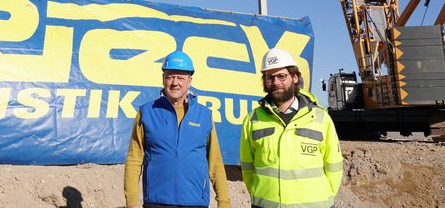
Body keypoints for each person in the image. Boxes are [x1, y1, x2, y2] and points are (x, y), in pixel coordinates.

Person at [124, 50, 230, 208]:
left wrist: (224, 202)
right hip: (156, 202)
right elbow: (134, 159)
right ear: (163, 79)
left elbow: (215, 163)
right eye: (170, 77)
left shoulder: (204, 115)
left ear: (189, 81)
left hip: (195, 202)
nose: (175, 83)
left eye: (180, 78)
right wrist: (132, 202)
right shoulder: (146, 112)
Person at [240, 48, 343, 207]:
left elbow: (334, 166)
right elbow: (248, 169)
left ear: (295, 77)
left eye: (281, 76)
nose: (276, 82)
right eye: (270, 77)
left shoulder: (320, 118)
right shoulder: (252, 120)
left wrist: (325, 197)